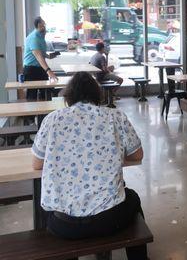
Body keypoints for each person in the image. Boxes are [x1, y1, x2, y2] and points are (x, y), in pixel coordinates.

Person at [31, 72, 148, 259]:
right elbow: (138, 155)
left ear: (69, 96)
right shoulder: (115, 116)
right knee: (132, 198)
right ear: (97, 94)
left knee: (54, 213)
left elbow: (36, 163)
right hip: (108, 219)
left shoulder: (52, 119)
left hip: (62, 223)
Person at [23, 16, 58, 100]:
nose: (45, 26)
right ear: (39, 25)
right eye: (43, 24)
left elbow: (41, 53)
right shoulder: (34, 37)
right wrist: (49, 71)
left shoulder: (41, 37)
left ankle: (45, 112)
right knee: (32, 95)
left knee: (46, 92)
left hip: (40, 68)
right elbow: (38, 56)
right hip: (31, 69)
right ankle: (32, 113)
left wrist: (49, 56)